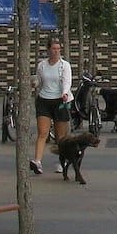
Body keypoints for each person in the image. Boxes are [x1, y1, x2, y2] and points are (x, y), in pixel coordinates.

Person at [31, 35, 73, 175]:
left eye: (58, 49)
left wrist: (65, 93)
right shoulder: (42, 65)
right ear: (48, 50)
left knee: (60, 136)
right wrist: (35, 83)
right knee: (42, 133)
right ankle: (37, 161)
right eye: (53, 48)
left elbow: (67, 81)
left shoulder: (64, 65)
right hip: (44, 99)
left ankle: (62, 161)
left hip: (60, 100)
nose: (56, 51)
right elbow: (39, 80)